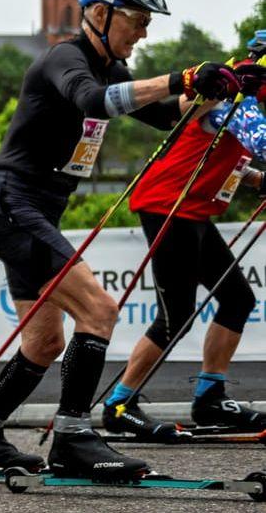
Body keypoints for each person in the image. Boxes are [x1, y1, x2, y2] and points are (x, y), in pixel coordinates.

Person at [0, 0, 240, 478]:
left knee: (45, 343)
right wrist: (179, 77)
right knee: (99, 309)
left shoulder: (109, 70)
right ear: (98, 13)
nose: (144, 31)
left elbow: (168, 113)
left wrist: (225, 89)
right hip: (13, 206)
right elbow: (92, 101)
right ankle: (71, 437)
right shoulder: (66, 59)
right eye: (137, 20)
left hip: (31, 212)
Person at [102, 43, 266, 437]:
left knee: (238, 299)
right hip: (167, 207)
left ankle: (209, 398)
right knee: (175, 314)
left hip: (192, 211)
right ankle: (119, 404)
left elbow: (236, 162)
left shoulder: (246, 105)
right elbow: (260, 143)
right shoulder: (236, 100)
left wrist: (260, 181)